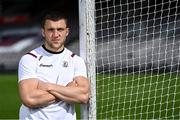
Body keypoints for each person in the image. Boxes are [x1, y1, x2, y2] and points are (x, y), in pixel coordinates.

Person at [18, 11, 90, 120]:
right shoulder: (29, 59)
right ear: (43, 32)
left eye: (60, 29)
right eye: (51, 30)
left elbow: (83, 96)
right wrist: (67, 91)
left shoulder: (76, 60)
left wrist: (48, 87)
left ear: (67, 32)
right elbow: (29, 99)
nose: (56, 34)